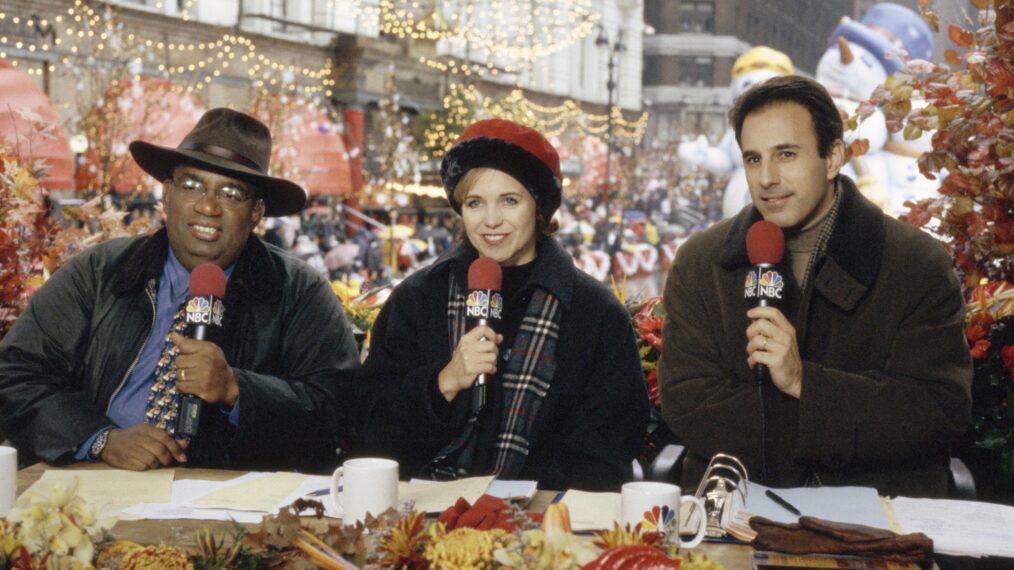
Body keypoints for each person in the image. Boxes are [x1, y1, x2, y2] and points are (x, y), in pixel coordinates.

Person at [658, 76, 972, 498]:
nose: (767, 177)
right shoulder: (701, 261)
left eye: (786, 154)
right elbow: (688, 402)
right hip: (732, 512)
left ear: (832, 157)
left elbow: (936, 411)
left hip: (873, 523)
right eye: (753, 159)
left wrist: (804, 381)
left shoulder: (917, 263)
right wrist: (828, 417)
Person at [0, 108, 360, 473]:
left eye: (231, 193)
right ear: (168, 193)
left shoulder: (299, 292)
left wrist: (237, 390)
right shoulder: (98, 273)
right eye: (191, 185)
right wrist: (100, 439)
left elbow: (339, 413)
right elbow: (14, 373)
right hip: (92, 480)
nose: (207, 206)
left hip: (226, 501)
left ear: (255, 213)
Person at [356, 119, 648, 491]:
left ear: (539, 208)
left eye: (509, 201)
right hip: (423, 512)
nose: (491, 221)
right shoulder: (418, 297)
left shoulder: (595, 312)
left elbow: (608, 452)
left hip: (543, 521)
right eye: (475, 203)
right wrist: (443, 383)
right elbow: (370, 430)